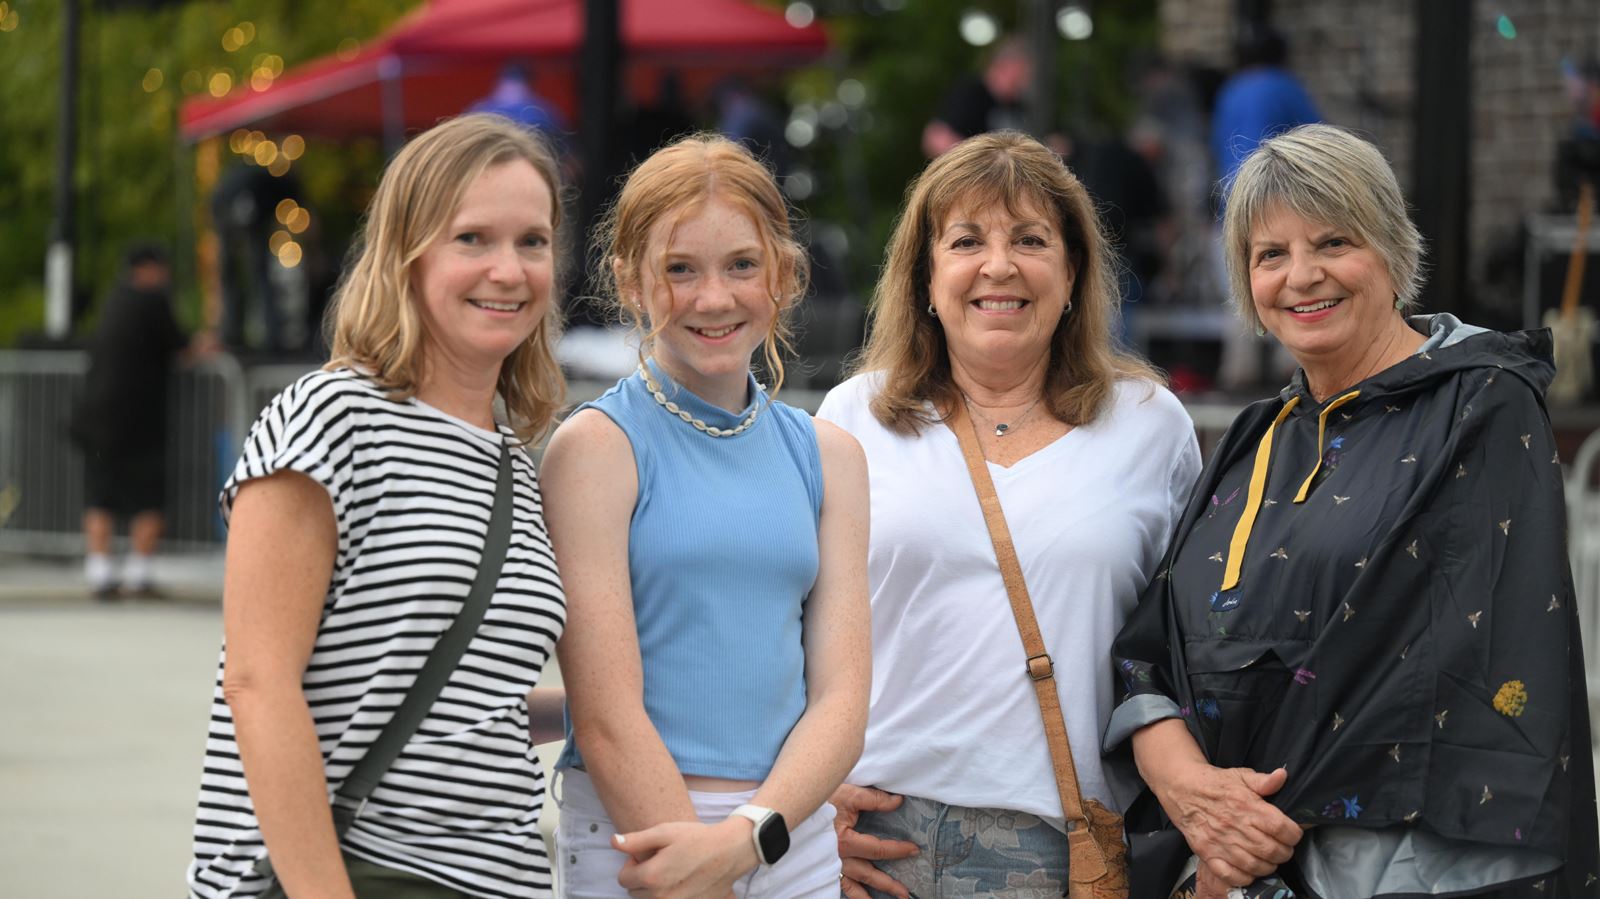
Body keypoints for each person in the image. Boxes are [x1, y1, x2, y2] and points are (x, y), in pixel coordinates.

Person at [1109, 124, 1600, 899]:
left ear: (1393, 251)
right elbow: (1150, 649)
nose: (1302, 275)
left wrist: (1246, 829)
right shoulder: (1253, 436)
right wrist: (1192, 793)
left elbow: (1437, 671)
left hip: (1402, 870)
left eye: (1333, 242)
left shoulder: (1481, 402)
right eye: (1271, 254)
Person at [186, 114, 569, 899]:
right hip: (359, 872)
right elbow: (258, 682)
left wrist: (620, 709)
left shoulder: (512, 456)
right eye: (473, 239)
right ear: (407, 253)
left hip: (505, 875)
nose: (509, 269)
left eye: (532, 241)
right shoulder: (332, 418)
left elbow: (455, 700)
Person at [818, 130, 1201, 897]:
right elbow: (792, 626)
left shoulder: (1150, 424)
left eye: (1030, 239)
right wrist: (806, 805)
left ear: (1072, 273)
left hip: (1066, 850)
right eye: (966, 241)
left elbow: (1189, 648)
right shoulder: (854, 417)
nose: (999, 265)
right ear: (926, 277)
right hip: (873, 841)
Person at [542, 134, 870, 898]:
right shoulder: (595, 449)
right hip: (638, 837)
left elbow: (842, 700)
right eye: (680, 268)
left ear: (783, 274)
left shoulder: (831, 456)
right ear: (629, 280)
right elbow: (606, 714)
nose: (713, 298)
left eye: (741, 265)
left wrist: (749, 836)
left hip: (788, 839)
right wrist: (706, 875)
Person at [70, 244, 214, 599]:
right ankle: (139, 573)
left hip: (96, 414)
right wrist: (205, 345)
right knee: (149, 494)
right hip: (138, 417)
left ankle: (100, 571)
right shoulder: (152, 301)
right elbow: (181, 346)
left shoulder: (113, 300)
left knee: (100, 493)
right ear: (149, 269)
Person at [921, 37, 1033, 158]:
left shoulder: (1016, 107)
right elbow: (936, 138)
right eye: (1019, 75)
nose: (1024, 81)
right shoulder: (970, 93)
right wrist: (981, 160)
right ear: (1004, 65)